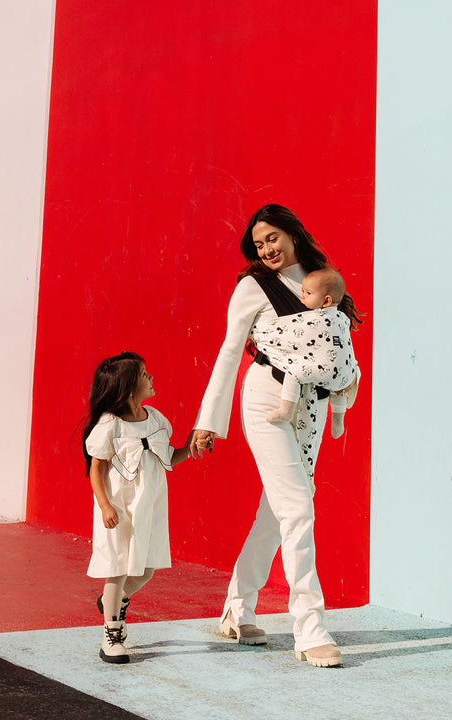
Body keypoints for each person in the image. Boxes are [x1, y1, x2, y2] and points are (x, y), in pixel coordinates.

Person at [189, 204, 362, 668]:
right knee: (298, 508)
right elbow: (229, 352)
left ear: (292, 233)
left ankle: (236, 607)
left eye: (273, 237)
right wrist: (209, 419)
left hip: (313, 405)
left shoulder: (321, 279)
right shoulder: (253, 287)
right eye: (258, 243)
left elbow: (336, 343)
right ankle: (309, 628)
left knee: (278, 510)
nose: (266, 248)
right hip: (268, 400)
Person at [82, 352, 202, 664]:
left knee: (146, 570)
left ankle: (111, 601)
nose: (151, 379)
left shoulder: (156, 420)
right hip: (119, 509)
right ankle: (112, 632)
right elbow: (95, 469)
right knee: (118, 567)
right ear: (128, 387)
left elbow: (168, 457)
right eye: (145, 375)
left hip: (149, 507)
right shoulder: (110, 426)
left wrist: (191, 447)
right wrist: (105, 504)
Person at [256, 267, 358, 437]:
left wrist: (258, 331)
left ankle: (286, 410)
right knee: (341, 386)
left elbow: (289, 329)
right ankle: (338, 422)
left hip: (324, 371)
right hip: (346, 376)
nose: (302, 296)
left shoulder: (314, 318)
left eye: (308, 293)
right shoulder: (342, 318)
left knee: (295, 371)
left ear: (326, 301)